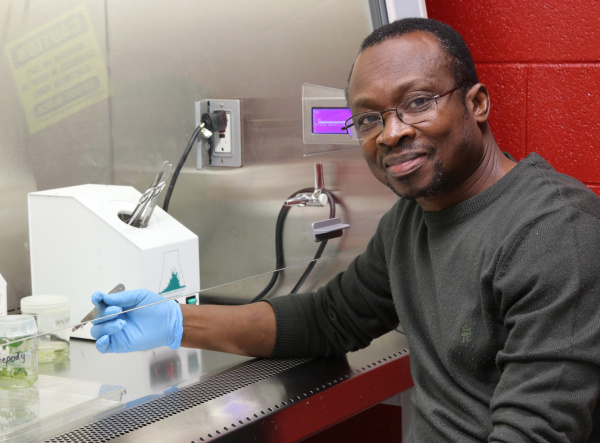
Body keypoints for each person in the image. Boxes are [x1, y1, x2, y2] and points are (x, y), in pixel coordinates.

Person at [90, 18, 600, 442]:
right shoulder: (410, 222)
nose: (393, 132)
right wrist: (178, 322)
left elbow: (535, 434)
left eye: (418, 102)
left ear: (477, 103)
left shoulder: (555, 233)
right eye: (368, 119)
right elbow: (330, 318)